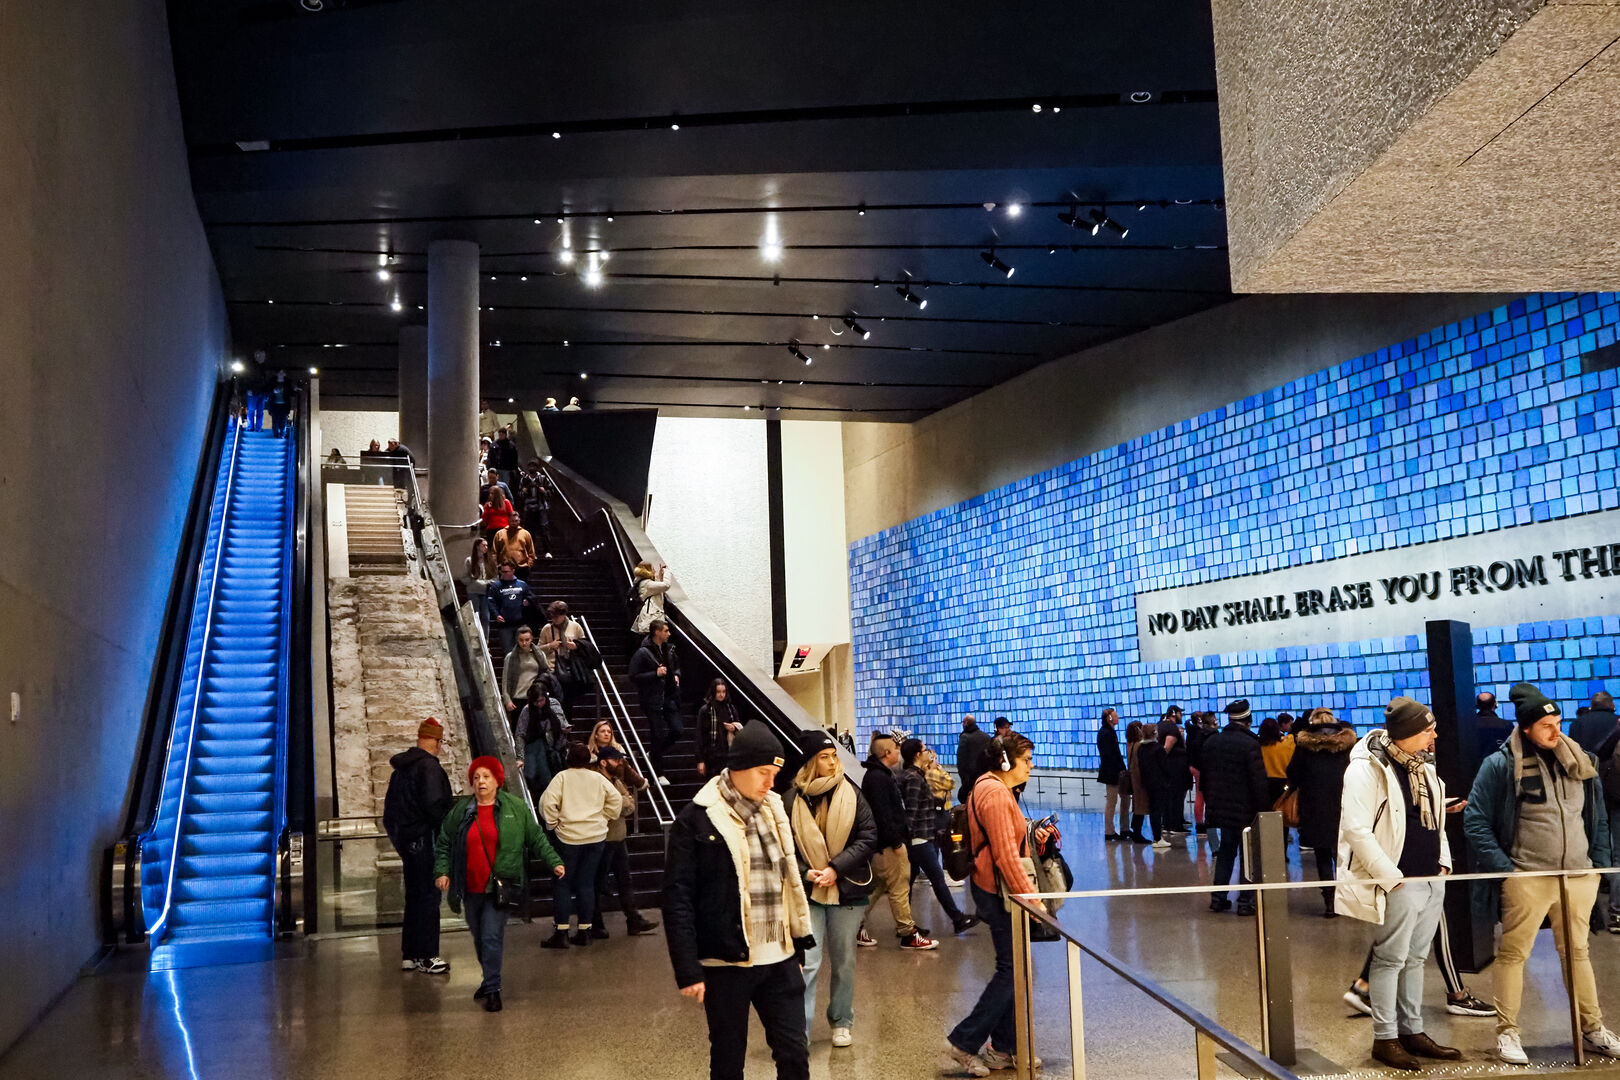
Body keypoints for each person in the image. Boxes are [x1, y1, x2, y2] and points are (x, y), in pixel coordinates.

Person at [1463, 682, 1620, 1065]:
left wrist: (1597, 868)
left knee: (1578, 953)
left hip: (1578, 877)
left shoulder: (1580, 760)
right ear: (1526, 727)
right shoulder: (1500, 764)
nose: (1555, 730)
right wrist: (1507, 871)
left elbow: (1596, 819)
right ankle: (1507, 1033)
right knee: (1515, 953)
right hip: (1528, 877)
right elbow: (1476, 820)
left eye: (1558, 721)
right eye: (1545, 723)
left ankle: (1592, 1027)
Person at [663, 721, 815, 1080]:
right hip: (726, 961)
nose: (770, 782)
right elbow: (677, 895)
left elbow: (789, 881)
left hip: (779, 957)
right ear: (738, 767)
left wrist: (798, 946)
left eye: (775, 773)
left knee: (794, 1053)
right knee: (729, 1059)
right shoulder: (698, 818)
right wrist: (688, 968)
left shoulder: (774, 809)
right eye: (764, 772)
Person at [1335, 698, 1461, 1070]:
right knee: (1390, 959)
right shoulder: (1365, 769)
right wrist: (1392, 879)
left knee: (1416, 959)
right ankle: (1385, 1037)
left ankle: (1412, 1031)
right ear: (1406, 734)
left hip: (1429, 877)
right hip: (1399, 882)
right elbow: (1356, 829)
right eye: (1427, 729)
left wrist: (1443, 865)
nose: (1434, 735)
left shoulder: (1424, 766)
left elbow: (1435, 820)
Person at [943, 732, 1053, 1077]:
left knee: (1016, 969)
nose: (1031, 767)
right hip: (998, 894)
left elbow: (1005, 840)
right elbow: (1006, 857)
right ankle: (964, 1041)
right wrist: (1034, 901)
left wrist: (1030, 833)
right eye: (1027, 760)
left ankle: (1005, 1048)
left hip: (996, 889)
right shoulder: (994, 793)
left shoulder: (993, 788)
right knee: (1014, 970)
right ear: (1006, 762)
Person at [434, 756, 563, 1011]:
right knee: (480, 938)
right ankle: (489, 978)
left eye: (486, 777)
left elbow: (536, 837)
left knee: (491, 936)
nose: (480, 782)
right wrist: (442, 871)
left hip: (500, 886)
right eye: (476, 777)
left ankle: (493, 989)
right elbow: (445, 842)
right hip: (471, 887)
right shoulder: (462, 811)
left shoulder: (515, 808)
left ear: (497, 780)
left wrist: (553, 861)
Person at [783, 729, 878, 1048]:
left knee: (844, 959)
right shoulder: (792, 799)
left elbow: (868, 835)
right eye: (824, 756)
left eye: (834, 755)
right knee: (807, 962)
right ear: (810, 762)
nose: (832, 761)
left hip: (847, 889)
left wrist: (836, 868)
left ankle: (841, 1020)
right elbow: (783, 849)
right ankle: (801, 1029)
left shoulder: (851, 792)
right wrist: (808, 873)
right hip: (809, 892)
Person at [382, 718, 454, 975]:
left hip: (408, 842)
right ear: (436, 741)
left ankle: (410, 954)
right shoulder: (429, 769)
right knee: (428, 896)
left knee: (413, 897)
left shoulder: (400, 770)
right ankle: (427, 955)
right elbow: (437, 807)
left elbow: (388, 815)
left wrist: (402, 842)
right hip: (427, 842)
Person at [856, 733, 937, 950]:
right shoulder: (879, 778)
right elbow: (883, 814)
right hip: (889, 845)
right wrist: (897, 843)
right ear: (886, 753)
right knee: (900, 887)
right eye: (895, 748)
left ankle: (855, 924)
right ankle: (907, 933)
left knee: (878, 887)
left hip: (884, 845)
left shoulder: (879, 775)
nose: (898, 752)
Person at [539, 741, 624, 948]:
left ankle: (562, 932)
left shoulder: (562, 778)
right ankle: (585, 930)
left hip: (568, 838)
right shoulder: (597, 778)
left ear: (568, 758)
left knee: (563, 883)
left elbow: (546, 803)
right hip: (595, 837)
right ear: (588, 759)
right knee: (586, 883)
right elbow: (616, 800)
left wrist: (553, 824)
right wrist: (605, 817)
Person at [899, 738, 978, 934]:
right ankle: (957, 919)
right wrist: (908, 839)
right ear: (917, 754)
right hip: (919, 839)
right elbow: (911, 811)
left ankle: (905, 923)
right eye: (925, 750)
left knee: (908, 881)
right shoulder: (914, 779)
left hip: (920, 838)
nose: (928, 753)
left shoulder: (915, 775)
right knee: (937, 879)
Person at [1202, 699, 1269, 915]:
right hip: (1246, 811)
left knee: (1225, 853)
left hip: (1221, 809)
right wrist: (1264, 810)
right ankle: (1245, 902)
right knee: (1247, 856)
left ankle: (1218, 898)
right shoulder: (1251, 744)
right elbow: (1258, 781)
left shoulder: (1213, 742)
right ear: (1248, 720)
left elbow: (1205, 779)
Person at [1287, 709, 1356, 916]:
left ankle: (1329, 901)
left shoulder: (1304, 747)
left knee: (1323, 855)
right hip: (1343, 807)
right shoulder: (1347, 746)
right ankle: (1348, 899)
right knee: (1344, 856)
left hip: (1314, 808)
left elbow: (1292, 774)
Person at [593, 746, 660, 937]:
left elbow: (629, 804)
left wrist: (623, 801)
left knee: (625, 881)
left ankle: (634, 920)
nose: (620, 763)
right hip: (603, 839)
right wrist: (622, 802)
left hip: (618, 837)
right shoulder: (598, 782)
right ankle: (595, 924)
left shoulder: (616, 780)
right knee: (597, 883)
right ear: (604, 762)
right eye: (616, 760)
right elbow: (616, 804)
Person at [629, 620, 683, 777]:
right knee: (657, 734)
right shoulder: (643, 653)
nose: (669, 634)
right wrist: (655, 674)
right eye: (666, 631)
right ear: (657, 632)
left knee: (677, 729)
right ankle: (658, 773)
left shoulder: (669, 649)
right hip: (652, 699)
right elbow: (633, 676)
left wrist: (676, 675)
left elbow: (677, 666)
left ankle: (653, 753)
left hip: (669, 696)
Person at [514, 674, 567, 796]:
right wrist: (520, 757)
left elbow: (561, 722)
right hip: (536, 749)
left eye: (541, 701)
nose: (538, 704)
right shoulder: (527, 711)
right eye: (535, 702)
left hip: (555, 748)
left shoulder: (554, 705)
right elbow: (520, 734)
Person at [537, 600, 586, 714]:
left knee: (568, 702)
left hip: (569, 669)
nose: (554, 620)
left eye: (556, 617)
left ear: (564, 615)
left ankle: (566, 725)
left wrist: (575, 646)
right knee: (553, 700)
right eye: (552, 617)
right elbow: (538, 650)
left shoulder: (575, 627)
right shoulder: (547, 628)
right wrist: (550, 645)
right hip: (552, 668)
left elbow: (585, 645)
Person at [499, 623, 548, 724]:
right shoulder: (510, 657)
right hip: (517, 699)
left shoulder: (539, 655)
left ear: (531, 639)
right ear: (517, 640)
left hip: (535, 698)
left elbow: (545, 673)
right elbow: (505, 680)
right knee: (518, 731)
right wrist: (507, 700)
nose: (524, 643)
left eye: (527, 640)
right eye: (521, 640)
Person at [697, 678, 743, 778]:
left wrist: (734, 727)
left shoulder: (730, 708)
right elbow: (700, 735)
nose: (721, 695)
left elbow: (739, 726)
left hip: (728, 754)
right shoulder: (706, 710)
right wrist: (700, 760)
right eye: (718, 692)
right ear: (713, 692)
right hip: (711, 755)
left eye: (723, 692)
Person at [483, 562, 530, 656]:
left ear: (513, 571)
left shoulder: (522, 584)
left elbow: (530, 598)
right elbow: (491, 602)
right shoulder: (496, 586)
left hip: (520, 624)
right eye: (501, 571)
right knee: (508, 653)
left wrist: (527, 602)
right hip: (505, 625)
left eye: (506, 572)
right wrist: (496, 615)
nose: (503, 574)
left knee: (523, 651)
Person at [1097, 709, 1127, 841]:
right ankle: (1109, 831)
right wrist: (1120, 769)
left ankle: (1120, 829)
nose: (1118, 717)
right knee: (1112, 802)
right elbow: (1110, 755)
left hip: (1113, 771)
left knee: (1116, 800)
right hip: (1112, 772)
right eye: (1115, 715)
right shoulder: (1106, 733)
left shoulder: (1108, 732)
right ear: (1109, 718)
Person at [1259, 716, 1295, 824]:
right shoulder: (1288, 743)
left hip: (1265, 784)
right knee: (1282, 816)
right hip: (1283, 784)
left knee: (1267, 818)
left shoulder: (1258, 747)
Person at [1125, 720, 1151, 844]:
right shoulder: (1140, 745)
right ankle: (1137, 833)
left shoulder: (1129, 744)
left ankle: (1135, 829)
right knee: (1140, 806)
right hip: (1139, 777)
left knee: (1136, 805)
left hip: (1132, 775)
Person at [630, 561, 672, 636]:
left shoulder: (644, 583)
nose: (654, 570)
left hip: (652, 619)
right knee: (652, 644)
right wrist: (667, 571)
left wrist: (661, 576)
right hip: (651, 620)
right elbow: (666, 585)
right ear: (647, 570)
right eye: (652, 568)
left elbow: (658, 589)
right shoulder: (646, 584)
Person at [956, 716, 992, 804]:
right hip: (985, 778)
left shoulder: (965, 737)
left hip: (970, 779)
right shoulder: (986, 737)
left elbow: (961, 761)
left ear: (965, 723)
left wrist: (964, 780)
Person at [493, 510, 536, 582]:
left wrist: (529, 565)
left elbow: (531, 552)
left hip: (522, 568)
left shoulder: (525, 534)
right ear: (508, 520)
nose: (514, 523)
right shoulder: (500, 534)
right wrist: (496, 566)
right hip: (505, 568)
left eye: (516, 521)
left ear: (519, 521)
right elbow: (494, 552)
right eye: (512, 521)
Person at [268, 371, 293, 438]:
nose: (281, 374)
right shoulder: (272, 382)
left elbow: (290, 393)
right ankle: (276, 434)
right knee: (275, 421)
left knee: (283, 420)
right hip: (274, 405)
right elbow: (268, 391)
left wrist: (295, 390)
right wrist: (273, 391)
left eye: (282, 373)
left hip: (284, 405)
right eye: (280, 373)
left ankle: (282, 434)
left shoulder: (287, 383)